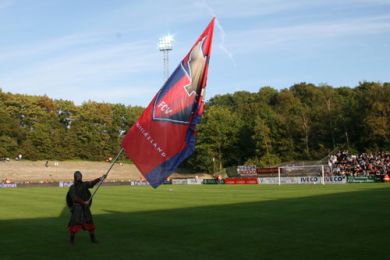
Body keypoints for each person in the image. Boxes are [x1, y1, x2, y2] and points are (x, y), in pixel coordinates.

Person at [67, 171, 106, 245]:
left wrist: (100, 178)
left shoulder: (84, 184)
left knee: (90, 224)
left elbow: (92, 183)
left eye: (80, 176)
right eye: (77, 176)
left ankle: (93, 239)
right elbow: (74, 198)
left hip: (85, 208)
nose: (79, 177)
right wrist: (84, 202)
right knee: (74, 225)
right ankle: (71, 241)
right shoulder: (72, 188)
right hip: (77, 209)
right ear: (75, 177)